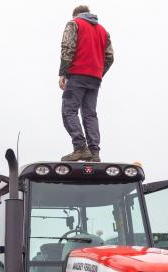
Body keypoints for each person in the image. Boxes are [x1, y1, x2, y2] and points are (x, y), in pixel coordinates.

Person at [59, 6, 114, 162]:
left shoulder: (74, 23)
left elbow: (67, 47)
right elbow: (109, 57)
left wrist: (63, 72)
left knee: (68, 111)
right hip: (95, 78)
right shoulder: (103, 31)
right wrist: (98, 72)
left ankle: (80, 148)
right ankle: (94, 153)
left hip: (77, 75)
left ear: (76, 15)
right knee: (90, 114)